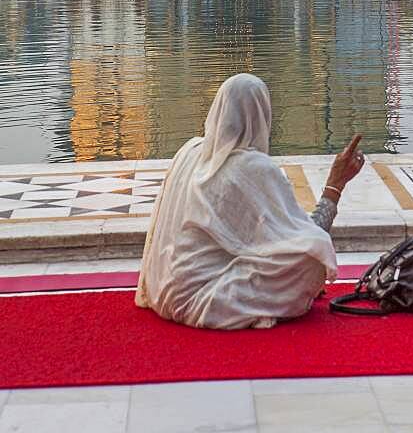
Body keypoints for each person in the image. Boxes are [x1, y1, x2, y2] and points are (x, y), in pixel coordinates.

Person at [136, 73, 364, 329]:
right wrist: (336, 184)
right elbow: (309, 238)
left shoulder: (189, 152)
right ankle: (271, 300)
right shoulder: (252, 168)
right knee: (313, 259)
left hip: (166, 290)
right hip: (205, 301)